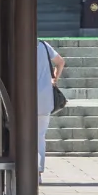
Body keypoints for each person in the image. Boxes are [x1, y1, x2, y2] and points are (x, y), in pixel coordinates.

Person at [36, 35, 65, 171]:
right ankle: (38, 171)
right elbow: (60, 62)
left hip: (24, 99)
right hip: (44, 98)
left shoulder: (19, 46)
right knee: (40, 136)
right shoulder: (44, 45)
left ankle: (25, 170)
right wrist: (55, 78)